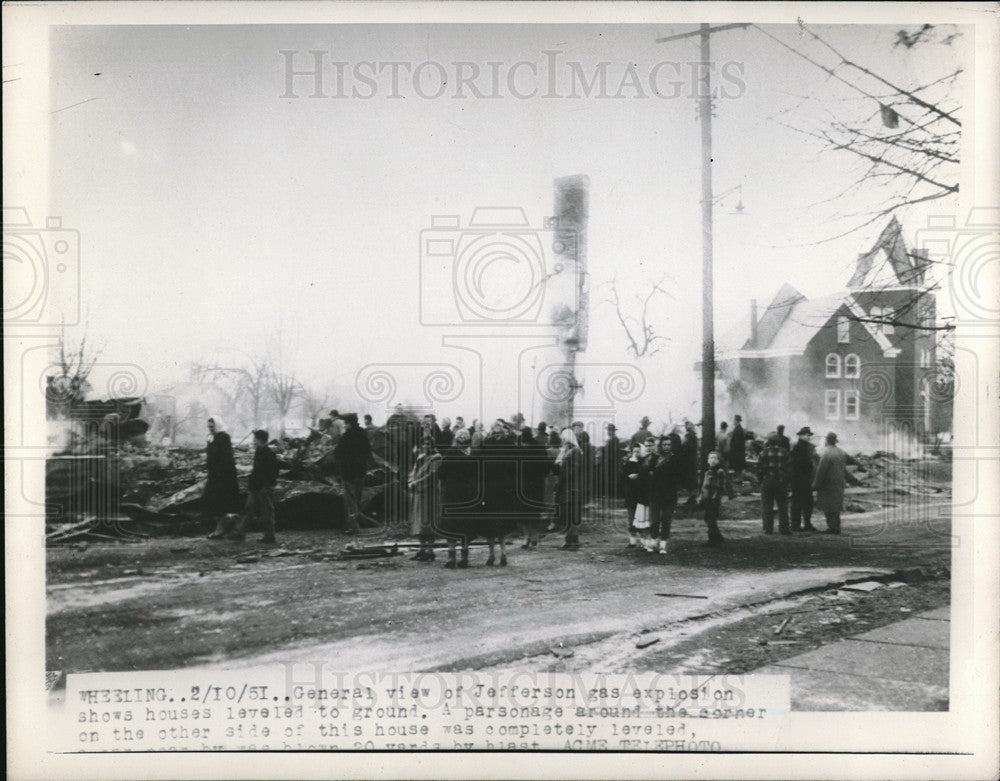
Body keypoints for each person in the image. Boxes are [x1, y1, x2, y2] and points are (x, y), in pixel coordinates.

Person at [437, 428, 479, 569]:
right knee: (465, 525)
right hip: (467, 496)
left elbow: (440, 473)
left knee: (450, 525)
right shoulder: (472, 455)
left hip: (451, 495)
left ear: (456, 439)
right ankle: (464, 557)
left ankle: (451, 556)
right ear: (468, 441)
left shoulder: (449, 453)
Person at [229, 429, 279, 543]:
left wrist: (267, 484)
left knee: (265, 511)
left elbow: (272, 472)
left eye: (255, 439)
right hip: (257, 486)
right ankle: (239, 533)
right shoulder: (260, 451)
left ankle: (269, 536)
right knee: (249, 509)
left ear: (259, 440)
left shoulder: (268, 453)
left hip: (263, 487)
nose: (253, 441)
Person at [334, 412, 372, 543]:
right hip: (360, 473)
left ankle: (353, 527)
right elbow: (368, 453)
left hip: (348, 473)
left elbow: (338, 455)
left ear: (349, 424)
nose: (344, 426)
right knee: (357, 500)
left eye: (345, 424)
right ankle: (356, 525)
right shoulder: (363, 435)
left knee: (350, 502)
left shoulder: (346, 437)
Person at [204, 418, 242, 539]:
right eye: (209, 427)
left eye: (212, 427)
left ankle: (222, 529)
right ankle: (229, 527)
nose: (210, 429)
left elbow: (226, 458)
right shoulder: (211, 438)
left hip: (224, 476)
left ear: (218, 426)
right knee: (213, 501)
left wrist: (219, 471)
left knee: (219, 502)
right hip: (214, 475)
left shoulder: (224, 437)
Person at [516, 427, 550, 549]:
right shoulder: (540, 449)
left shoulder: (520, 450)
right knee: (534, 513)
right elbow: (547, 468)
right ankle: (535, 538)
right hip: (537, 486)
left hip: (523, 486)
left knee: (523, 513)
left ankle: (526, 539)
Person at [408, 437, 442, 560]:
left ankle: (430, 550)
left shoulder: (436, 458)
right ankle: (422, 548)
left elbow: (431, 476)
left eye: (428, 444)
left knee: (428, 522)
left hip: (430, 493)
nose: (425, 446)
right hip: (419, 493)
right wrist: (411, 481)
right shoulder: (420, 458)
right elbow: (413, 472)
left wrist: (416, 483)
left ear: (432, 445)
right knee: (419, 522)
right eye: (423, 444)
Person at [647, 437, 681, 554]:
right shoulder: (654, 458)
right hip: (655, 494)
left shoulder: (674, 459)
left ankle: (663, 544)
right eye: (664, 444)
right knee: (654, 520)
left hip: (669, 495)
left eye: (669, 444)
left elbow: (678, 476)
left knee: (666, 520)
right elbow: (649, 474)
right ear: (660, 445)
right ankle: (653, 540)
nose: (667, 446)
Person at [553, 428, 584, 550]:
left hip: (572, 487)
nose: (563, 440)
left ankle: (573, 541)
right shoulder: (566, 450)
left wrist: (562, 470)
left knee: (573, 514)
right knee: (568, 514)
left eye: (564, 438)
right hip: (566, 487)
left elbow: (574, 470)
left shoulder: (575, 451)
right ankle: (569, 540)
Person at [813, 431, 847, 534]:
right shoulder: (841, 452)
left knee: (828, 506)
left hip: (828, 484)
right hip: (839, 483)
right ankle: (836, 526)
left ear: (827, 441)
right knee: (836, 505)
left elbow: (821, 471)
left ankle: (832, 528)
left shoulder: (826, 453)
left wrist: (815, 485)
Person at [758, 432, 791, 535]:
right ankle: (784, 528)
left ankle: (768, 528)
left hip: (767, 481)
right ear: (778, 441)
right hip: (781, 481)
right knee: (783, 505)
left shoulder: (763, 453)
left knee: (767, 505)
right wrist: (787, 481)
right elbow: (789, 469)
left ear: (768, 441)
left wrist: (761, 480)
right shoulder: (784, 452)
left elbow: (759, 469)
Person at [698, 451, 733, 546]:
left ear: (718, 460)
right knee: (708, 518)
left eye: (715, 458)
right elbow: (703, 486)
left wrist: (715, 498)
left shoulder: (719, 472)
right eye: (710, 458)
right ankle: (718, 537)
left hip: (713, 499)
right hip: (706, 498)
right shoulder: (707, 472)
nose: (712, 460)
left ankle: (712, 539)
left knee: (711, 518)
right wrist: (701, 497)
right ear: (707, 460)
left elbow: (720, 487)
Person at [789, 426, 819, 532]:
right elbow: (799, 465)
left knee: (806, 503)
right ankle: (797, 524)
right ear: (801, 436)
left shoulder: (804, 447)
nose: (809, 437)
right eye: (807, 435)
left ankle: (804, 524)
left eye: (809, 435)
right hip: (800, 480)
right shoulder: (799, 448)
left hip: (803, 480)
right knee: (800, 503)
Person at [621, 443, 645, 547]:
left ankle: (644, 540)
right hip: (631, 493)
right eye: (635, 451)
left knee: (642, 517)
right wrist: (629, 478)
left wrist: (639, 476)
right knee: (631, 517)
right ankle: (632, 541)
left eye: (638, 451)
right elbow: (622, 477)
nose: (636, 453)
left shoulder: (643, 462)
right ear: (632, 452)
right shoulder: (628, 463)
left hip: (640, 494)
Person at [598, 423, 623, 504]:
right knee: (610, 478)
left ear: (613, 431)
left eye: (609, 430)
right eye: (608, 430)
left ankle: (612, 495)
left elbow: (614, 453)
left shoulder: (614, 439)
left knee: (611, 478)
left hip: (612, 463)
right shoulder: (611, 439)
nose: (608, 432)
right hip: (610, 462)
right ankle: (610, 495)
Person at [681, 421, 700, 499]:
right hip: (693, 460)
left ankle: (691, 497)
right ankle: (693, 496)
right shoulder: (695, 436)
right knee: (692, 478)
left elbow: (684, 446)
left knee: (689, 479)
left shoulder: (687, 436)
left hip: (688, 460)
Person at [729, 415, 747, 479]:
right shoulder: (738, 428)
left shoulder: (738, 429)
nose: (733, 421)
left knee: (737, 465)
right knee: (738, 466)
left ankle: (739, 478)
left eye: (734, 420)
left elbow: (737, 442)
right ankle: (738, 478)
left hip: (737, 451)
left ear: (737, 421)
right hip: (738, 451)